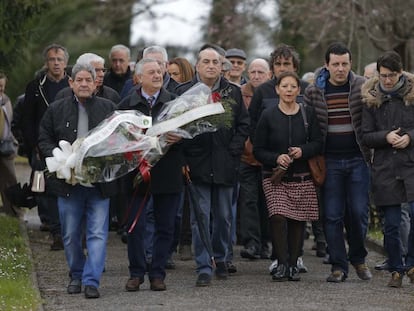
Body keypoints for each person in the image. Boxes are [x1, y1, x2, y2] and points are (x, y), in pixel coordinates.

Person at [38, 63, 116, 298]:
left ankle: (92, 281)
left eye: (88, 80)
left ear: (95, 84)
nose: (83, 84)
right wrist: (60, 157)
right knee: (70, 234)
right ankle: (76, 274)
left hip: (98, 184)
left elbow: (120, 140)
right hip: (68, 184)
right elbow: (44, 139)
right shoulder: (56, 109)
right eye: (79, 80)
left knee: (98, 233)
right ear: (70, 83)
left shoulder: (109, 108)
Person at [176, 47, 249, 287]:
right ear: (197, 65)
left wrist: (233, 150)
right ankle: (204, 265)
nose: (210, 66)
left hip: (225, 162)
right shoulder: (184, 92)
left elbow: (243, 125)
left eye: (215, 62)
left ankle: (222, 258)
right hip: (196, 164)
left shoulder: (233, 92)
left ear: (221, 67)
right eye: (205, 61)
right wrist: (184, 159)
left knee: (224, 217)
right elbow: (176, 128)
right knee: (200, 217)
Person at [303, 42, 372, 283]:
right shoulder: (314, 91)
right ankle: (338, 265)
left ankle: (359, 259)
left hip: (357, 159)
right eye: (335, 64)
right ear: (326, 65)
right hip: (329, 160)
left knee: (358, 212)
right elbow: (308, 126)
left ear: (350, 64)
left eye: (344, 64)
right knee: (332, 215)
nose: (340, 69)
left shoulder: (362, 85)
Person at [118, 58, 184, 292]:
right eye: (151, 72)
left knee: (166, 227)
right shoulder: (127, 104)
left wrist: (180, 138)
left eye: (159, 71)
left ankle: (157, 273)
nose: (157, 75)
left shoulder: (174, 103)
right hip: (137, 175)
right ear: (139, 78)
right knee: (136, 226)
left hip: (167, 173)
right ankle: (136, 273)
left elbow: (191, 137)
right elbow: (118, 140)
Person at [253, 71, 322, 281]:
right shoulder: (268, 115)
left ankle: (293, 264)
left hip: (301, 176)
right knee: (278, 216)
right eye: (284, 86)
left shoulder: (308, 114)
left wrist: (303, 150)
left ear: (299, 90)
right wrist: (276, 157)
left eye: (293, 86)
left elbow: (319, 143)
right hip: (275, 177)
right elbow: (258, 149)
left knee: (297, 220)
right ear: (277, 89)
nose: (289, 90)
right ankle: (281, 263)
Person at [361, 50, 414, 288]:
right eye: (383, 75)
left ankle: (411, 263)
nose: (388, 80)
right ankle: (396, 267)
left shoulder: (412, 96)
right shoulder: (371, 99)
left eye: (392, 75)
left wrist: (410, 138)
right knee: (391, 224)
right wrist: (386, 136)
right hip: (384, 167)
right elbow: (366, 135)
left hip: (410, 164)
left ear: (400, 73)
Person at [21, 43, 70, 250]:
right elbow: (27, 119)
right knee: (46, 189)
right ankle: (55, 230)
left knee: (67, 187)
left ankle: (69, 230)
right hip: (42, 147)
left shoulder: (73, 84)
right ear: (46, 62)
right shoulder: (35, 87)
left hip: (67, 146)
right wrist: (35, 145)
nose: (56, 63)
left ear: (66, 62)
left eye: (59, 59)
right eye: (52, 59)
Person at [239, 58, 272, 260]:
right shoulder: (240, 93)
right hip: (246, 157)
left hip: (269, 158)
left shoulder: (274, 91)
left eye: (261, 72)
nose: (256, 75)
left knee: (268, 202)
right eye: (253, 71)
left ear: (269, 74)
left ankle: (266, 243)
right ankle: (251, 243)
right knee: (248, 201)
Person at [56, 53, 120, 104]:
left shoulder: (112, 95)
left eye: (103, 70)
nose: (102, 74)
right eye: (96, 70)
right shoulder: (64, 95)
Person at [0, 72, 18, 217]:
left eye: (2, 86)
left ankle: (13, 212)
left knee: (10, 181)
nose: (0, 89)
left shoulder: (6, 100)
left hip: (6, 146)